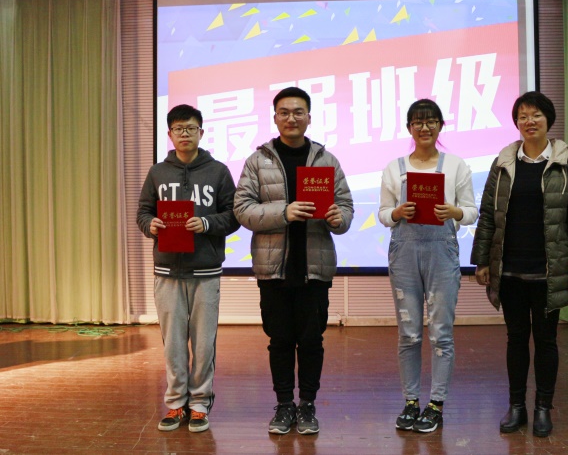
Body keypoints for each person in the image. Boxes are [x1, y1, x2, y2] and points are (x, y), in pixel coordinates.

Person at [470, 91, 568, 437]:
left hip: (549, 269)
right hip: (509, 268)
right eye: (523, 116)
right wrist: (482, 260)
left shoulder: (567, 161)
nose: (529, 121)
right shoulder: (503, 163)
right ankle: (516, 407)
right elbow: (488, 215)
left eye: (536, 115)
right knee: (516, 339)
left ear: (548, 119)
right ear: (516, 123)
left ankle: (542, 408)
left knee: (546, 340)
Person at [233, 87, 354, 435]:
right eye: (284, 112)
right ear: (275, 118)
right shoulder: (258, 161)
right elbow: (242, 209)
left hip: (315, 268)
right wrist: (283, 212)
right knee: (280, 340)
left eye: (298, 112)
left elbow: (346, 207)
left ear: (309, 117)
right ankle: (285, 404)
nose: (291, 118)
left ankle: (308, 404)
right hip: (274, 269)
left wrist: (339, 219)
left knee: (312, 341)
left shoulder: (327, 160)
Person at [136, 104, 240, 433]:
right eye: (179, 129)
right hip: (167, 271)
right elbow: (143, 211)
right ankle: (175, 402)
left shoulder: (218, 172)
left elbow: (234, 215)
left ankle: (199, 404)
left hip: (205, 271)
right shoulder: (158, 172)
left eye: (191, 128)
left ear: (201, 132)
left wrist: (207, 224)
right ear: (169, 134)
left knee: (204, 343)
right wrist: (150, 224)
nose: (185, 134)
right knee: (173, 344)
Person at [378, 98, 478, 433]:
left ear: (440, 126)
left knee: (441, 333)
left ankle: (436, 404)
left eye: (431, 121)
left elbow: (472, 211)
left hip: (441, 253)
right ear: (409, 128)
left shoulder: (456, 165)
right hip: (404, 255)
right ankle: (410, 401)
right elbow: (383, 213)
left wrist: (455, 212)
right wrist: (396, 213)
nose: (425, 127)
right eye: (418, 122)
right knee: (408, 333)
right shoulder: (394, 168)